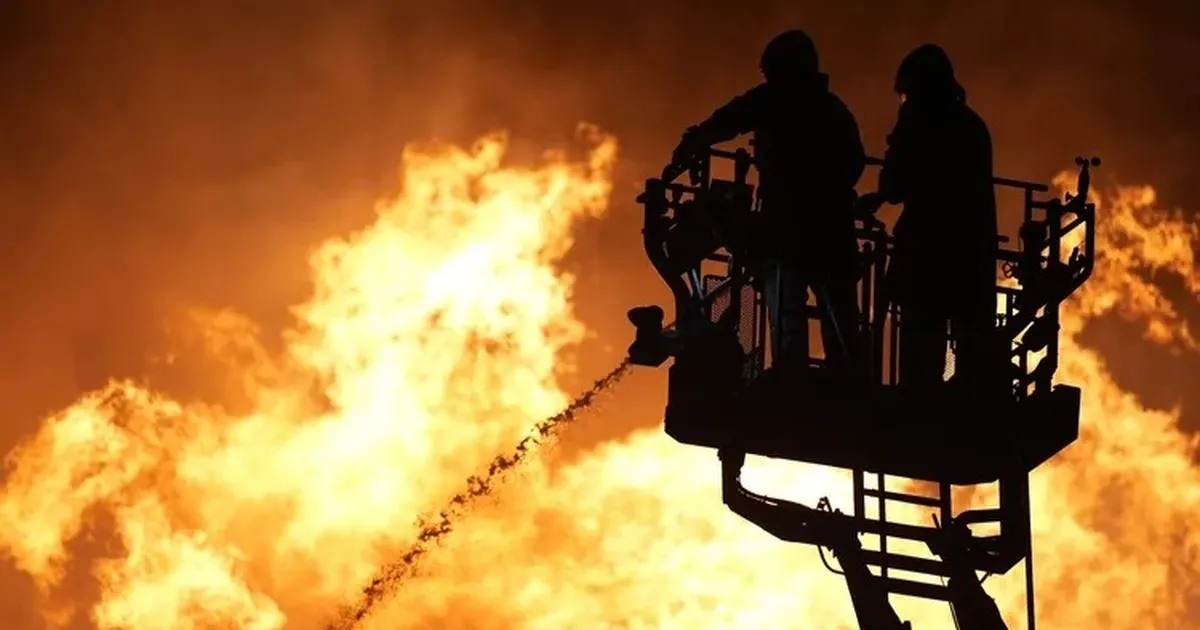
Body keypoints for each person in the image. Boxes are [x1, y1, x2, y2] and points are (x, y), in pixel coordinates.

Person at [671, 29, 867, 374]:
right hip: (830, 226)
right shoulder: (832, 109)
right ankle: (849, 375)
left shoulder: (776, 100)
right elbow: (854, 163)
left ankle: (792, 373)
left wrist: (695, 140)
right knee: (837, 306)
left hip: (788, 226)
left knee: (787, 300)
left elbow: (732, 117)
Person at [856, 44, 1000, 395]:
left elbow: (896, 183)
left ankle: (919, 404)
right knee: (969, 345)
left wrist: (882, 188)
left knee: (921, 348)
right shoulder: (972, 126)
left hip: (925, 257)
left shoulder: (918, 121)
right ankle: (965, 400)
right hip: (971, 257)